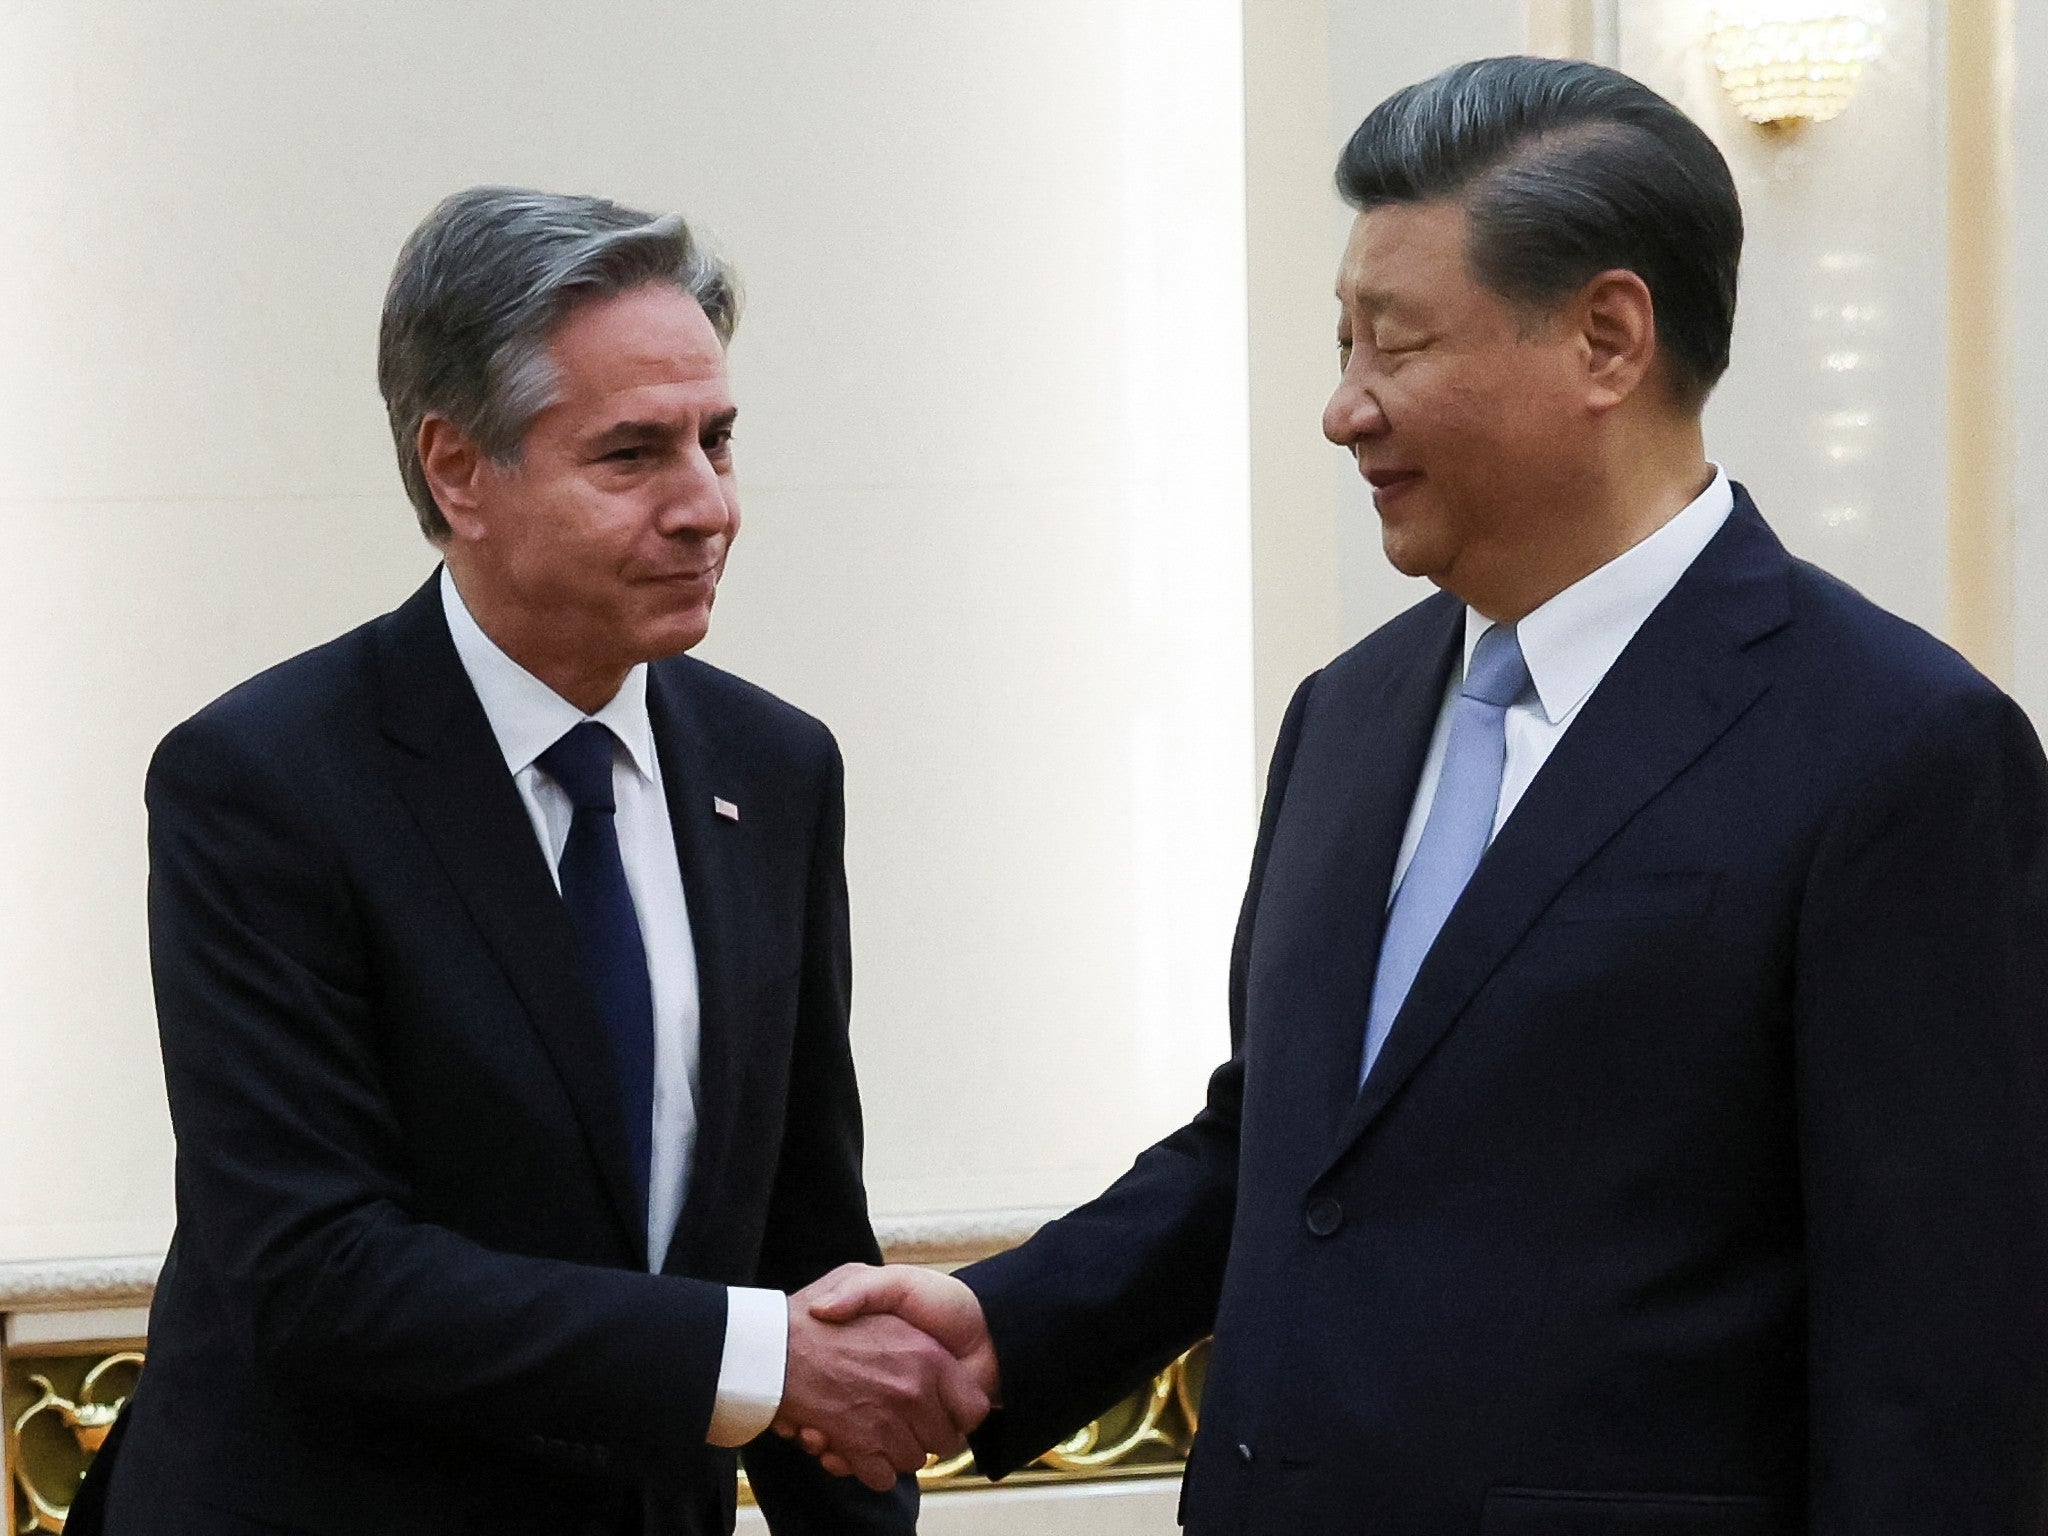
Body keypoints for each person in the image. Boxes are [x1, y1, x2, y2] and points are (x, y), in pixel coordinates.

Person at [789, 57, 2048, 1534]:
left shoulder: (1901, 752)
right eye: (1341, 343)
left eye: (1394, 345)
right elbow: (1291, 1144)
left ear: (1608, 337)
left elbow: (1944, 1368)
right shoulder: (1352, 712)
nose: (1343, 410)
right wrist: (1007, 1326)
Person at [75, 187, 984, 1536]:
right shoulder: (265, 781)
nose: (706, 507)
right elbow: (318, 1273)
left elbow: (801, 1237)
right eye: (633, 456)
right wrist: (756, 1361)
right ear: (457, 470)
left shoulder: (774, 769)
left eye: (718, 441)